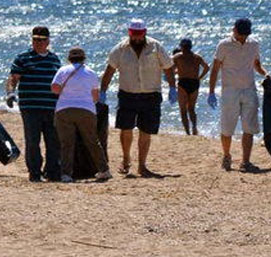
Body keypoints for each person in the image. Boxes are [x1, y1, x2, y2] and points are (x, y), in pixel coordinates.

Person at [100, 19, 176, 177]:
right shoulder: (120, 49)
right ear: (129, 33)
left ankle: (142, 165)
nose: (136, 39)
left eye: (139, 35)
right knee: (126, 129)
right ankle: (126, 158)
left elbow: (168, 67)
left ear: (145, 33)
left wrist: (173, 87)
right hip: (127, 94)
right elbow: (110, 70)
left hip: (151, 95)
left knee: (145, 131)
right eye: (134, 35)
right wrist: (103, 91)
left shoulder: (156, 46)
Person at [208, 18, 270, 172]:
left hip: (249, 90)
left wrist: (265, 74)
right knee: (227, 127)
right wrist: (211, 91)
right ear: (234, 30)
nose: (241, 37)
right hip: (230, 91)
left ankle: (245, 161)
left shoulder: (254, 44)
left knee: (249, 127)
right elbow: (215, 68)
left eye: (244, 35)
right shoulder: (224, 45)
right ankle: (227, 156)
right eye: (239, 33)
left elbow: (256, 65)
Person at [5, 26, 63, 182]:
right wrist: (10, 93)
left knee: (53, 141)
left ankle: (51, 172)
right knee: (32, 141)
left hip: (51, 107)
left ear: (48, 41)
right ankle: (34, 172)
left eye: (42, 40)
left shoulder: (54, 59)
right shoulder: (23, 58)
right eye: (35, 39)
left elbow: (60, 83)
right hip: (30, 107)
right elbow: (13, 78)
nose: (38, 43)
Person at [51, 47, 111, 183]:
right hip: (86, 109)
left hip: (64, 109)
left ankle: (66, 174)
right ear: (84, 58)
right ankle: (103, 170)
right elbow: (95, 97)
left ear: (69, 58)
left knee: (67, 143)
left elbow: (54, 89)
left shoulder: (62, 70)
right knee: (92, 141)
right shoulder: (90, 72)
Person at [171, 38, 209, 135]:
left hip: (183, 82)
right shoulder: (197, 57)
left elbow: (170, 68)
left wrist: (175, 74)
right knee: (191, 108)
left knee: (183, 110)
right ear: (190, 47)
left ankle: (187, 132)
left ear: (181, 47)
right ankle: (194, 127)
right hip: (194, 83)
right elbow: (207, 67)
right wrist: (199, 77)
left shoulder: (177, 57)